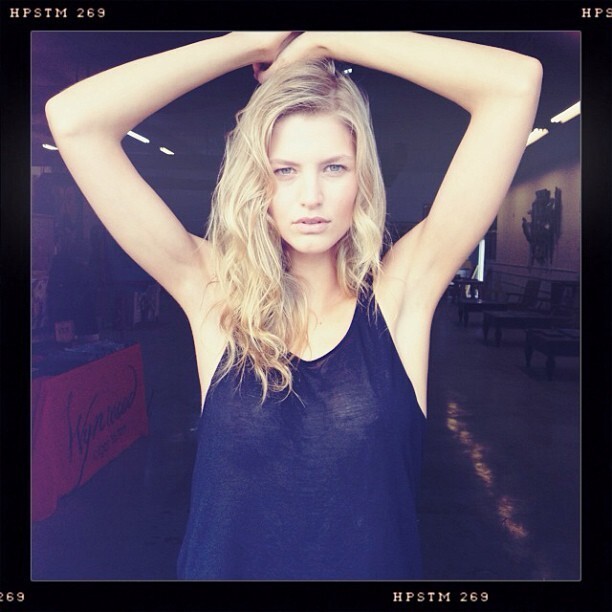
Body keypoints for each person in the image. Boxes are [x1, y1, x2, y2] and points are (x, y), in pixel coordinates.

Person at [45, 31, 542, 580]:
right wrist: (247, 43)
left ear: (362, 179)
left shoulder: (401, 296)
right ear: (258, 184)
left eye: (334, 168)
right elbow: (74, 120)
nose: (311, 196)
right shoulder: (214, 292)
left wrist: (331, 37)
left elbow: (514, 85)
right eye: (285, 170)